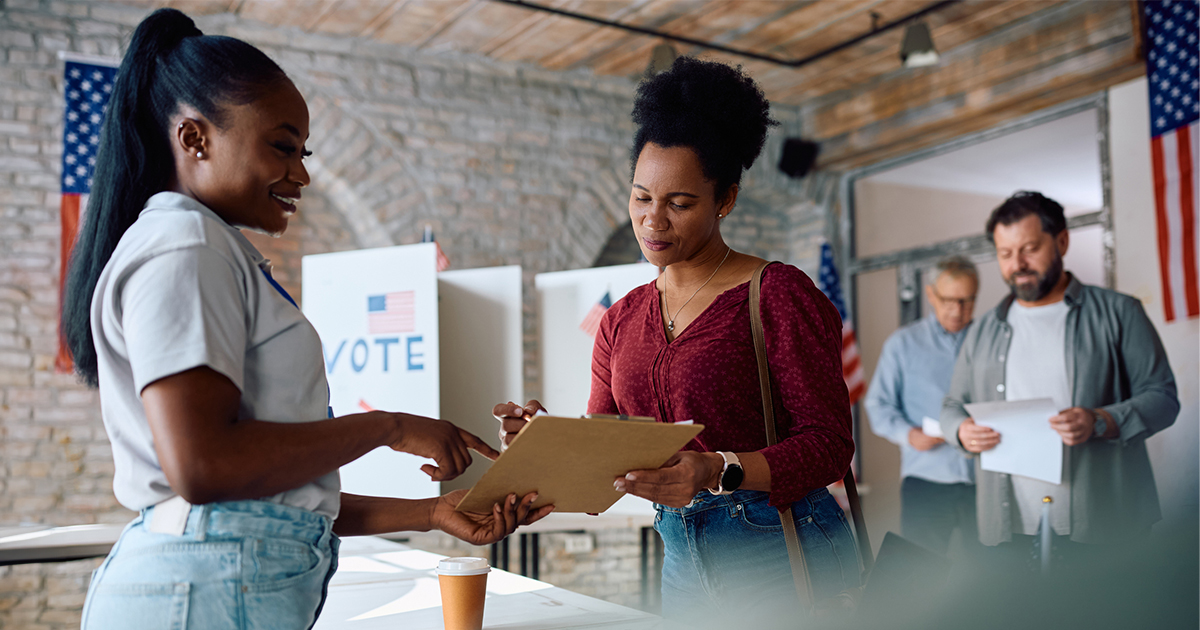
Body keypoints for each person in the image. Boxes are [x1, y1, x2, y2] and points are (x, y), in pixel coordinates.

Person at [62, 10, 550, 629]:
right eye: (282, 147)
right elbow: (205, 466)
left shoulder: (203, 247)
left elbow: (272, 498)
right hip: (201, 594)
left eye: (303, 152)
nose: (301, 173)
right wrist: (387, 426)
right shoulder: (187, 246)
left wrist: (431, 514)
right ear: (194, 138)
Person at [494, 57, 860, 625]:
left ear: (726, 199)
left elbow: (831, 445)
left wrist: (719, 469)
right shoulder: (620, 320)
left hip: (779, 548)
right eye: (641, 198)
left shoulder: (776, 294)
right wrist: (549, 441)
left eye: (679, 203)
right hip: (681, 554)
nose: (652, 221)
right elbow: (611, 445)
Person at [940, 191, 1178, 568]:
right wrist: (960, 432)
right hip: (1007, 527)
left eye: (1029, 248)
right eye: (1005, 254)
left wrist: (1101, 420)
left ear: (1061, 241)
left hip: (1106, 523)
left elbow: (1163, 398)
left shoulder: (1121, 312)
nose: (1017, 264)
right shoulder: (982, 329)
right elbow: (952, 406)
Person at [865, 256, 980, 556]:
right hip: (927, 482)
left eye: (968, 301)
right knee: (922, 573)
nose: (958, 310)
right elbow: (878, 404)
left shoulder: (988, 340)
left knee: (989, 574)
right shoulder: (902, 344)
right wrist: (909, 434)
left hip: (985, 480)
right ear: (930, 294)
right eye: (949, 300)